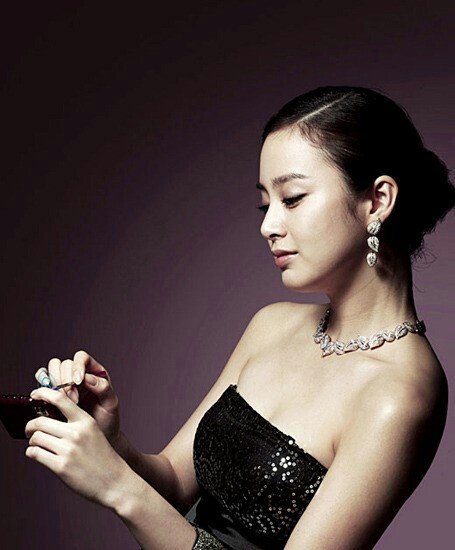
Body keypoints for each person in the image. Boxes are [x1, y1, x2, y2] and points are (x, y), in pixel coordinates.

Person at [26, 86, 454, 549]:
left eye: (292, 198)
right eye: (264, 204)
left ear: (378, 200)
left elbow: (141, 502)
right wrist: (110, 439)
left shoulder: (401, 394)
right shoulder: (272, 325)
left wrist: (117, 487)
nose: (268, 225)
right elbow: (171, 486)